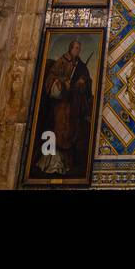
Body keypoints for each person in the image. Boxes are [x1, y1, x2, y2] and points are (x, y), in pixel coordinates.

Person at [33, 40, 93, 176]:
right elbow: (51, 77)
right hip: (61, 104)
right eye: (76, 47)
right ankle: (53, 162)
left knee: (71, 131)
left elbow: (87, 82)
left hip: (72, 104)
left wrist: (82, 83)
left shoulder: (81, 65)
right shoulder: (62, 61)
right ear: (70, 48)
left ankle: (66, 163)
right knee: (59, 129)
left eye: (79, 48)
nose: (78, 50)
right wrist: (62, 82)